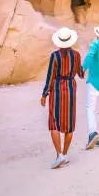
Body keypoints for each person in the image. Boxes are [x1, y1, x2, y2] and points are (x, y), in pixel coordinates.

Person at [41, 27, 84, 169]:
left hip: (58, 89)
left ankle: (59, 155)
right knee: (69, 124)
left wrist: (44, 94)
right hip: (71, 89)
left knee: (54, 122)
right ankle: (64, 155)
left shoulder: (55, 56)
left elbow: (50, 76)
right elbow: (81, 73)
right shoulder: (77, 55)